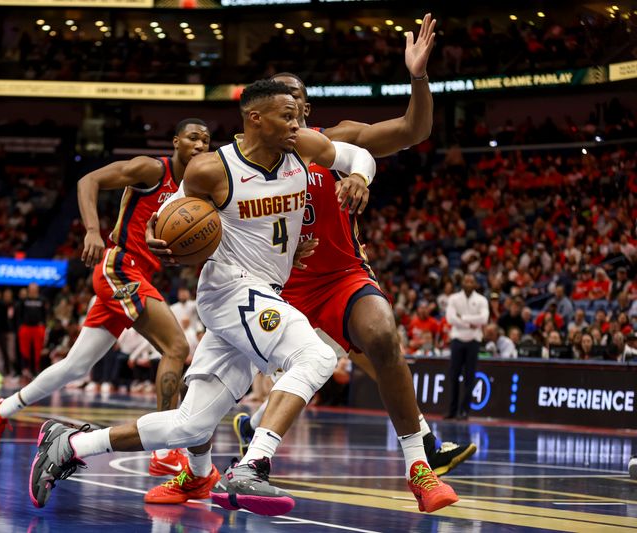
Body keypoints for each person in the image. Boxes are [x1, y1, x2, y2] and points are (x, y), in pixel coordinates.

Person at [28, 80, 456, 516]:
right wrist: (162, 238)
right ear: (256, 118)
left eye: (298, 115)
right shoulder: (211, 169)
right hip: (229, 286)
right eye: (287, 115)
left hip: (265, 289)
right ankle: (252, 466)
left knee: (190, 423)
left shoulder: (302, 147)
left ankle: (72, 443)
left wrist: (361, 178)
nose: (297, 123)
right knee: (315, 357)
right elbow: (167, 217)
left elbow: (358, 155)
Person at [230, 13, 472, 494]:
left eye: (297, 96)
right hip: (277, 283)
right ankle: (216, 449)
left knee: (381, 338)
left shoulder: (334, 140)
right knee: (230, 381)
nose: (292, 104)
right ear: (260, 112)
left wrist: (418, 77)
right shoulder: (238, 162)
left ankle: (420, 464)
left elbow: (413, 130)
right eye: (282, 98)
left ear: (305, 106)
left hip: (340, 276)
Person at [0, 119, 211, 476]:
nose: (200, 145)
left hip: (138, 275)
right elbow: (88, 180)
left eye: (207, 141)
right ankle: (167, 451)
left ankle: (0, 409)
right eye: (193, 138)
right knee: (177, 349)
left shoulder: (197, 190)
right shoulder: (152, 169)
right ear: (176, 140)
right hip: (120, 267)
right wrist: (92, 230)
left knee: (75, 367)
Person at [445, 273, 489, 420]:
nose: (469, 283)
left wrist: (462, 318)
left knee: (469, 377)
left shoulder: (481, 300)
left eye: (471, 281)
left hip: (474, 341)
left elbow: (484, 318)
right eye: (466, 280)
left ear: (475, 284)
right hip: (457, 339)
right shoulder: (454, 298)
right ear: (462, 283)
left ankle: (464, 411)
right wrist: (471, 324)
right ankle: (452, 410)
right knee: (454, 376)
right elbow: (450, 318)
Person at [15, 283, 49, 377]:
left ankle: (36, 369)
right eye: (31, 289)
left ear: (37, 290)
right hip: (26, 327)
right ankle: (25, 369)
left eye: (35, 289)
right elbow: (19, 314)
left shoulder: (42, 300)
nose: (33, 291)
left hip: (37, 328)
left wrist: (43, 325)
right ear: (29, 290)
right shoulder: (24, 301)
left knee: (37, 349)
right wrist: (20, 326)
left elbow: (45, 314)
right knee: (24, 349)